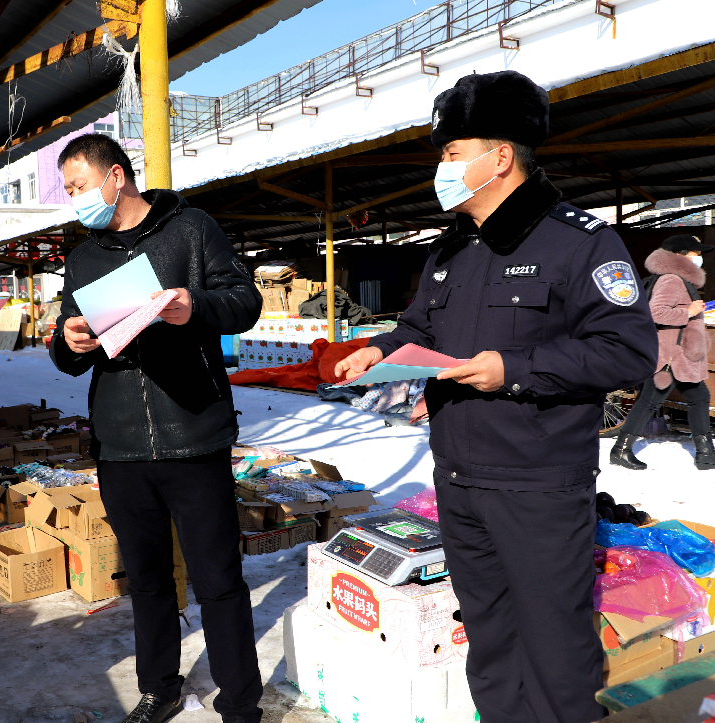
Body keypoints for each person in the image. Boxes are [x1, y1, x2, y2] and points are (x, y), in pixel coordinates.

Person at [334, 71, 658, 723]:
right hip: (458, 480)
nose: (442, 168)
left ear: (500, 156)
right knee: (489, 645)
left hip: (537, 488)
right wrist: (383, 348)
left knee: (555, 654)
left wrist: (511, 368)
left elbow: (628, 350)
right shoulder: (451, 250)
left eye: (453, 153)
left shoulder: (581, 242)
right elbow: (421, 327)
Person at [49, 133, 263, 723]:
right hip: (120, 444)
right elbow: (67, 347)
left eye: (79, 186)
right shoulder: (85, 256)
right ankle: (159, 687)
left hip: (192, 433)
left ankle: (241, 701)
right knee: (145, 578)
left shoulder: (190, 229)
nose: (75, 200)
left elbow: (245, 299)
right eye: (68, 191)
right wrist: (67, 340)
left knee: (217, 578)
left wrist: (193, 305)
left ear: (116, 177)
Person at [611, 234, 714, 470]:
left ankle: (706, 454)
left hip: (677, 355)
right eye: (695, 254)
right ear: (679, 256)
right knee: (652, 401)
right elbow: (655, 313)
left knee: (696, 398)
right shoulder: (672, 280)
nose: (698, 259)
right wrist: (688, 312)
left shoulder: (677, 279)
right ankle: (621, 449)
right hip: (672, 356)